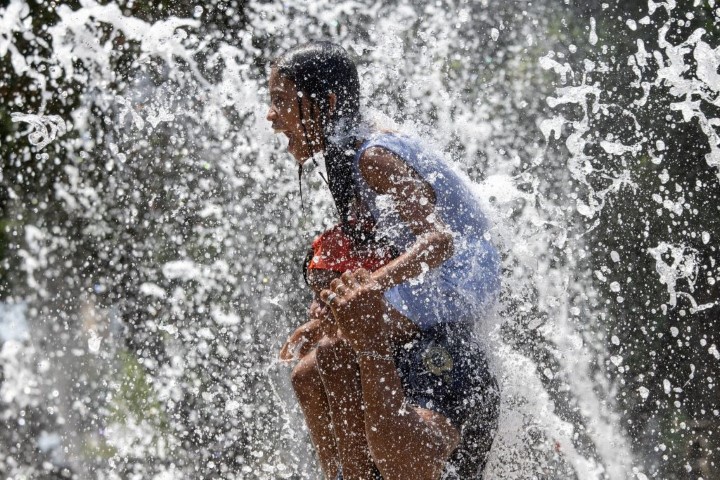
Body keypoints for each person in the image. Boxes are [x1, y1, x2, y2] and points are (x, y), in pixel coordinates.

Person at [269, 41, 500, 480]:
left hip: (461, 275)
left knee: (337, 344)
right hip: (433, 275)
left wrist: (368, 287)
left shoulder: (374, 156)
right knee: (309, 369)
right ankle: (343, 472)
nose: (271, 116)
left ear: (328, 103)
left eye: (281, 101)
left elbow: (438, 240)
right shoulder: (351, 151)